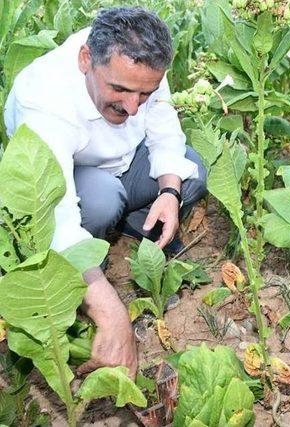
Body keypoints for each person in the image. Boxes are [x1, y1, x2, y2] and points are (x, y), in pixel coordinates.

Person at [3, 7, 207, 377]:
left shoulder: (142, 64)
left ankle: (133, 224)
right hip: (75, 178)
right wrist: (110, 311)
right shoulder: (44, 101)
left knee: (190, 173)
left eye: (144, 94)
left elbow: (165, 133)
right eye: (120, 90)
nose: (131, 107)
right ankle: (81, 279)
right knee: (99, 201)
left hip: (126, 161)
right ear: (86, 61)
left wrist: (169, 195)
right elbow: (56, 219)